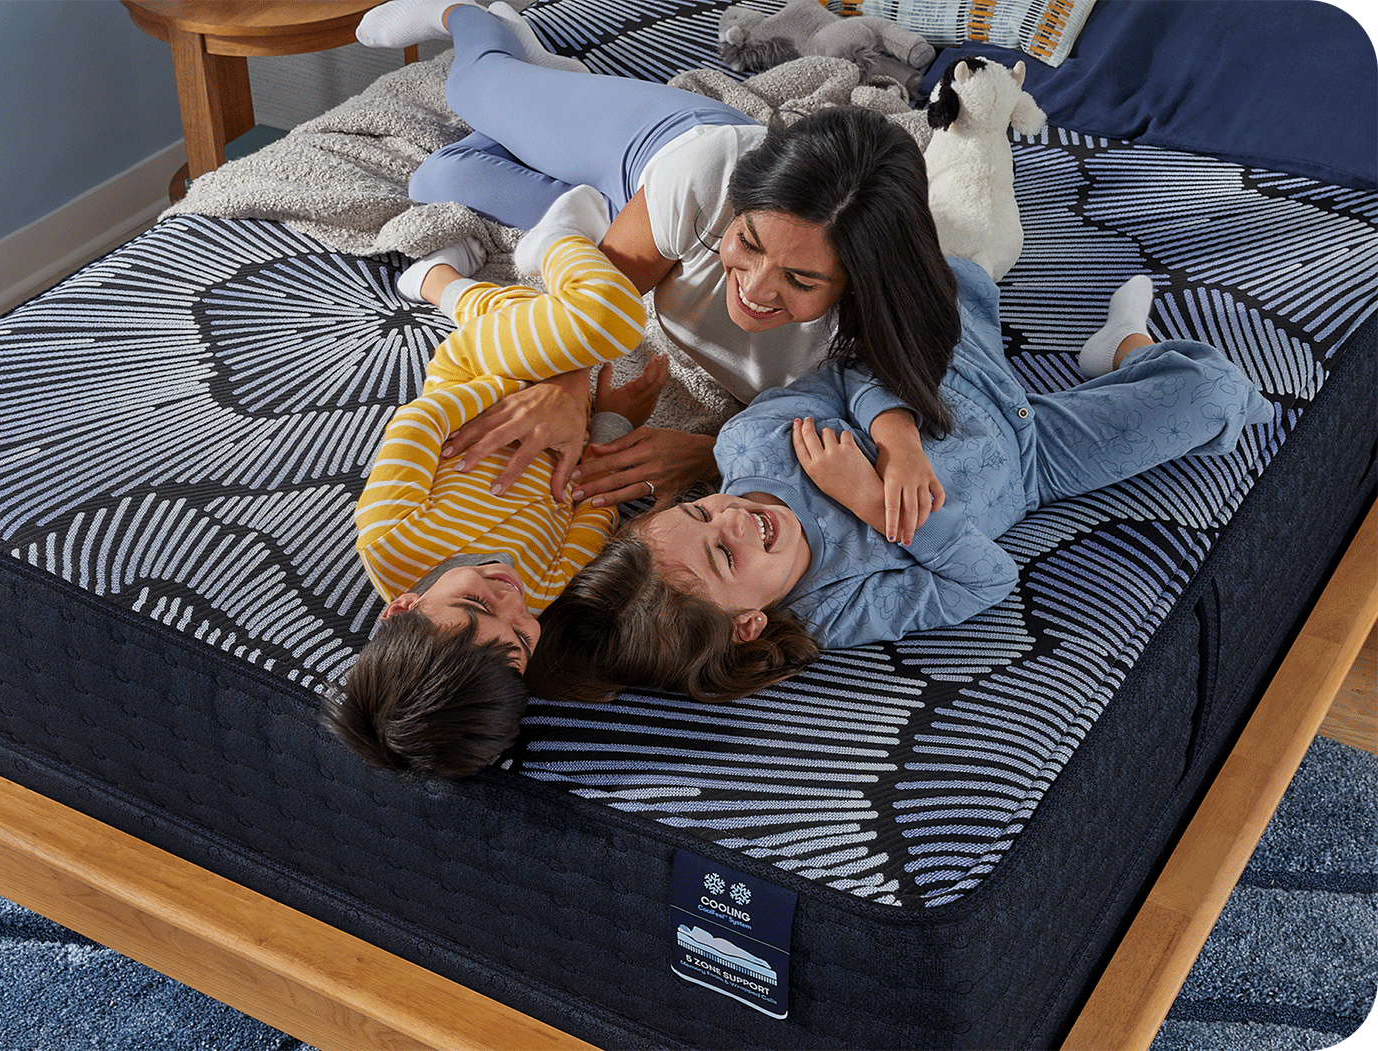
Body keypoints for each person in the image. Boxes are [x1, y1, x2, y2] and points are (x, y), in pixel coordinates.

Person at [525, 261, 1274, 705]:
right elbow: (985, 580)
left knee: (945, 273)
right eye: (724, 556)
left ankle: (1103, 344)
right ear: (748, 622)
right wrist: (871, 502)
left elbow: (854, 369)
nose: (732, 516)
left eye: (701, 509)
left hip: (945, 378)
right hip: (1036, 461)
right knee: (1213, 399)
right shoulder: (835, 607)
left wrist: (896, 437)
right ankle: (1127, 346)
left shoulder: (751, 439)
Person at [357, 0, 959, 545]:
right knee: (473, 88)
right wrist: (566, 388)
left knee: (442, 178)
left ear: (859, 285)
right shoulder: (708, 175)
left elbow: (874, 408)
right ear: (738, 208)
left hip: (651, 213)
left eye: (801, 283)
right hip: (656, 148)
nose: (753, 288)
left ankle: (586, 187)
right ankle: (476, 18)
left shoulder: (876, 325)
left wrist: (706, 454)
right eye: (746, 243)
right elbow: (590, 305)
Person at [322, 193, 665, 778]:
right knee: (532, 317)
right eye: (521, 640)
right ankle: (439, 281)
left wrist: (516, 395)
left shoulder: (390, 541)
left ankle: (551, 240)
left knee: (610, 317)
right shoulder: (541, 588)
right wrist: (606, 422)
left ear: (401, 609)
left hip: (479, 376)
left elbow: (419, 421)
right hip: (566, 415)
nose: (510, 600)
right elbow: (589, 503)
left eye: (477, 603)